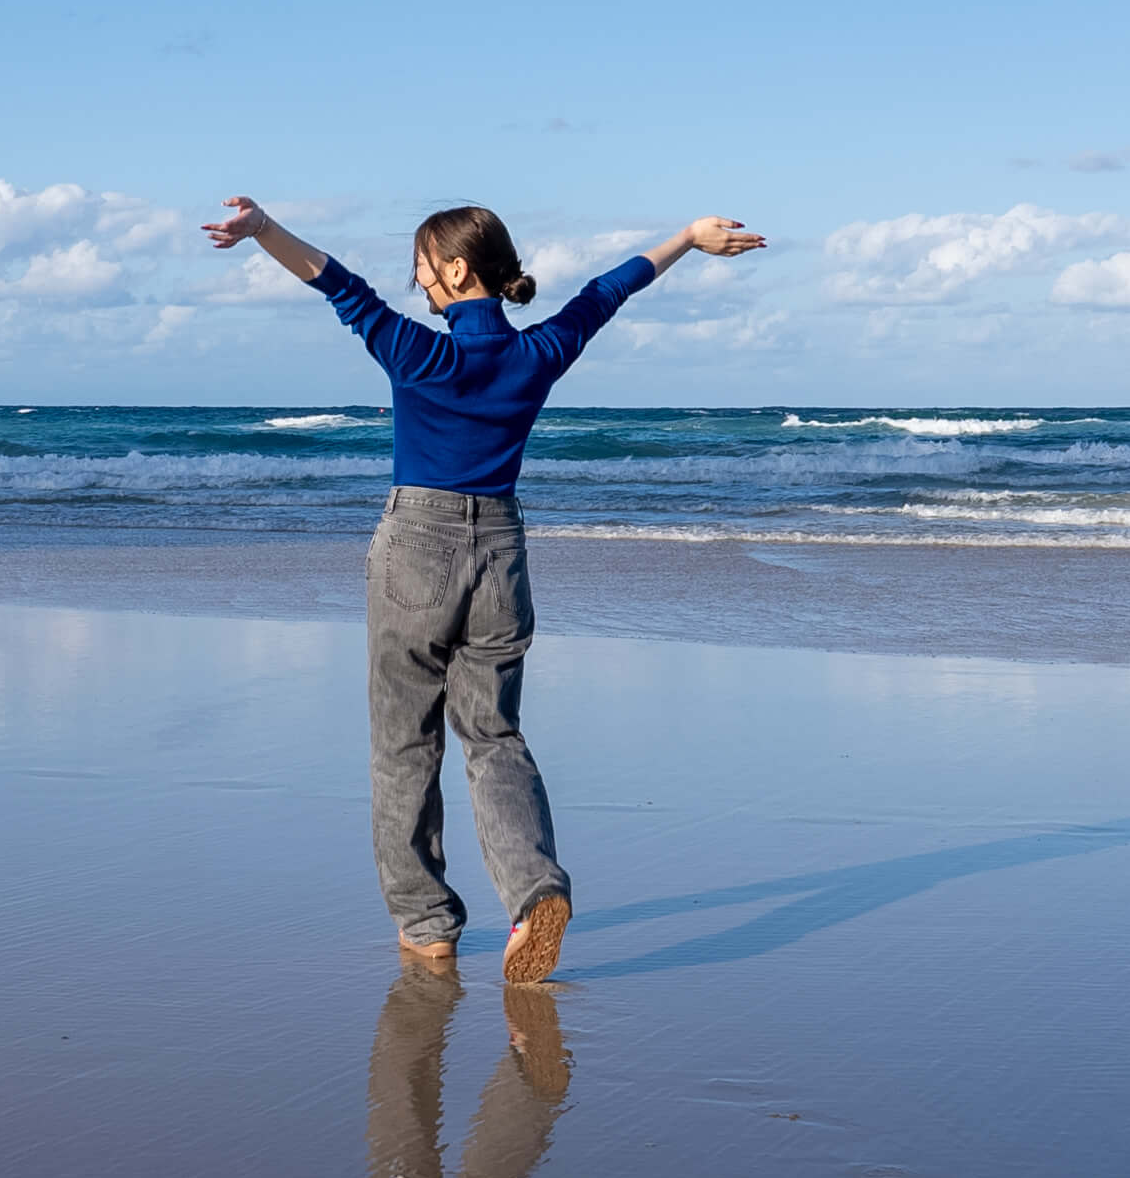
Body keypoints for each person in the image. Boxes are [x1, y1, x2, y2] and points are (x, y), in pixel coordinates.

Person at [206, 199, 764, 981]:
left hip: (416, 553)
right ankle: (535, 892)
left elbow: (333, 282)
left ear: (457, 270)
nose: (416, 283)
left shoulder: (416, 353)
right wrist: (686, 239)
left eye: (424, 267)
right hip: (501, 553)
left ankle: (427, 923)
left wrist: (262, 230)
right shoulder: (538, 354)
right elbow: (609, 292)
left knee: (405, 746)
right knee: (494, 738)